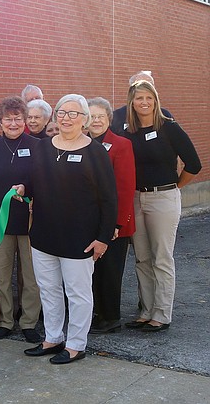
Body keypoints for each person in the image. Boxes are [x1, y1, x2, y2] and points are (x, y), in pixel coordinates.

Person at [18, 94, 117, 365]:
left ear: (84, 120)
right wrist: (24, 188)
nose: (66, 118)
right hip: (44, 235)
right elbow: (35, 181)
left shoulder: (95, 151)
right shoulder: (43, 147)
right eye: (62, 112)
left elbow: (109, 198)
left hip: (80, 239)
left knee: (78, 293)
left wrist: (103, 237)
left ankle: (76, 344)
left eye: (74, 114)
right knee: (48, 289)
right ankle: (53, 338)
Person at [122, 80, 201, 332]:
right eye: (138, 98)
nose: (144, 102)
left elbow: (194, 164)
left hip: (163, 198)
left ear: (155, 100)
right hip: (136, 198)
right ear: (131, 103)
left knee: (161, 258)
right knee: (142, 258)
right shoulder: (128, 131)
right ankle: (146, 311)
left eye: (148, 98)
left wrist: (176, 187)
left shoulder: (169, 127)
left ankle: (161, 314)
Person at [0, 97, 41, 342]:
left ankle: (28, 322)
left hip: (29, 224)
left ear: (25, 121)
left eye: (18, 119)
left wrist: (28, 189)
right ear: (0, 122)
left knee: (31, 277)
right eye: (8, 119)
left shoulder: (37, 147)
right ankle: (5, 320)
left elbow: (44, 182)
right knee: (3, 276)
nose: (13, 124)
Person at [86, 97, 136, 334]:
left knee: (110, 271)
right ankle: (98, 313)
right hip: (90, 221)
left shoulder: (121, 144)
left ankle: (111, 317)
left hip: (115, 223)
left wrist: (117, 223)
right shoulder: (83, 143)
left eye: (100, 116)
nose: (96, 121)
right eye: (92, 116)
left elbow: (125, 188)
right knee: (94, 270)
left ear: (109, 119)